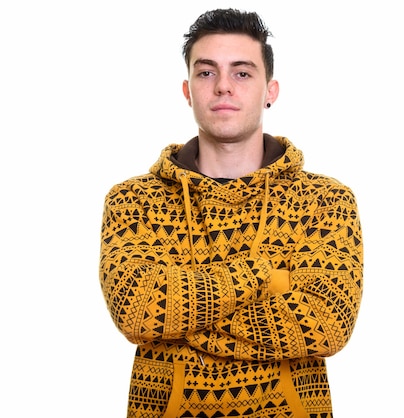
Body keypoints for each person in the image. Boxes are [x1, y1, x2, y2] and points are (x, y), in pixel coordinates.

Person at [99, 8, 364, 417]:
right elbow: (140, 311)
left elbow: (326, 324)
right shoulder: (133, 200)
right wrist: (265, 276)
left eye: (242, 73)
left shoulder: (325, 200)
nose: (223, 86)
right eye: (206, 73)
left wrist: (182, 316)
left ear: (270, 91)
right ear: (187, 90)